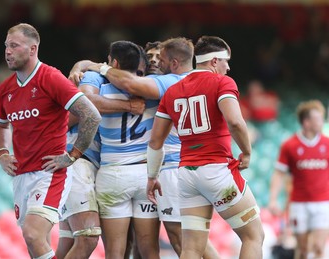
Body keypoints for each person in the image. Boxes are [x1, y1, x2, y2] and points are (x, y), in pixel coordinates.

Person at [83, 37, 219, 258]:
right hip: (145, 173)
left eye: (162, 58)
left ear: (114, 64)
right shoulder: (156, 93)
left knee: (116, 252)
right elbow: (135, 84)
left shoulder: (102, 90)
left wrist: (91, 68)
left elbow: (86, 101)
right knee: (149, 249)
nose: (158, 63)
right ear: (142, 65)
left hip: (113, 174)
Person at [146, 35, 265, 259]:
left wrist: (152, 176)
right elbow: (236, 122)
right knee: (253, 235)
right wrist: (247, 152)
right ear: (213, 61)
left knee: (191, 248)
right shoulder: (222, 83)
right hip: (217, 171)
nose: (228, 68)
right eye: (225, 61)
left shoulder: (172, 91)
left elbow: (155, 142)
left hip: (187, 175)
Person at [0, 23, 101, 259]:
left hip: (49, 173)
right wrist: (2, 153)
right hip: (21, 175)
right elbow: (0, 124)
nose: (7, 51)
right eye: (6, 46)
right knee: (34, 246)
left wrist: (73, 154)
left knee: (33, 234)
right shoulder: (6, 88)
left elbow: (91, 114)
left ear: (32, 49)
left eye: (14, 45)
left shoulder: (50, 77)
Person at [56, 48, 146, 259]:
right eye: (136, 71)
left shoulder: (136, 87)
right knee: (87, 237)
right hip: (76, 160)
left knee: (68, 242)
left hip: (96, 165)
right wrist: (129, 106)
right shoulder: (95, 78)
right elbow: (84, 105)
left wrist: (81, 63)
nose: (136, 77)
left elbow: (86, 63)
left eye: (141, 73)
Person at [269, 99, 329, 259]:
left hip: (323, 203)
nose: (322, 122)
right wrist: (273, 199)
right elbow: (279, 173)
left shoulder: (327, 143)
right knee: (302, 249)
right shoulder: (290, 145)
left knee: (318, 247)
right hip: (299, 204)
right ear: (306, 122)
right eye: (318, 118)